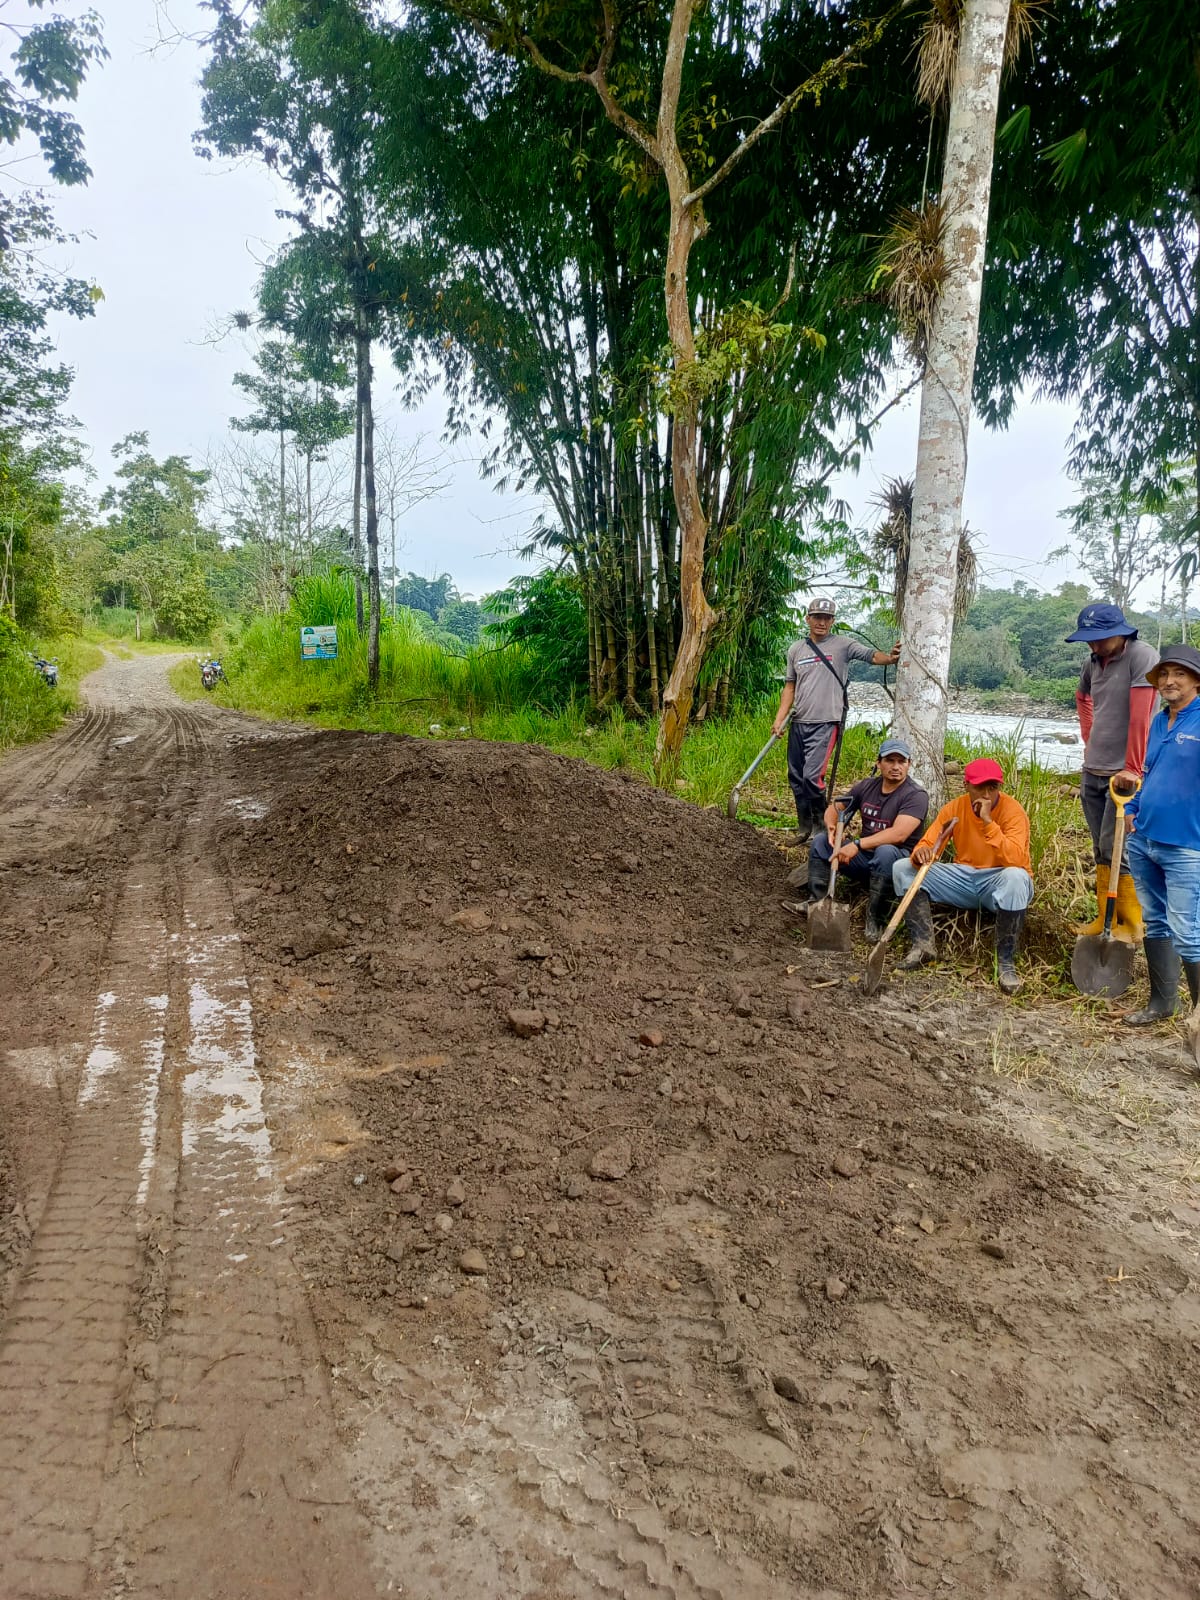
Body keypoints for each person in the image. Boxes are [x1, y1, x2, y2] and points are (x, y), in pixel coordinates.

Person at [892, 757, 1033, 995]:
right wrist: (920, 854)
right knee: (902, 868)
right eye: (980, 787)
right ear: (966, 785)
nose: (986, 795)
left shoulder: (1013, 811)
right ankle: (923, 946)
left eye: (993, 787)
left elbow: (1016, 860)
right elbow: (928, 843)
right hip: (964, 878)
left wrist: (988, 822)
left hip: (999, 879)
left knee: (1016, 877)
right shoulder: (954, 808)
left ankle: (1006, 963)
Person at [1120, 644, 1200, 1059]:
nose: (1169, 681)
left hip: (1187, 845)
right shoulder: (1157, 720)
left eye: (1179, 674)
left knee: (1188, 930)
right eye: (1164, 674)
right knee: (1156, 921)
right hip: (1144, 839)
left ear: (1196, 681)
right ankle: (1163, 1002)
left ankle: (1199, 1022)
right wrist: (1133, 808)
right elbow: (1149, 773)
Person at [1066, 602, 1159, 942]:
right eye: (1089, 639)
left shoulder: (1141, 656)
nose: (1094, 645)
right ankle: (1105, 918)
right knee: (1101, 847)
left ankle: (1130, 924)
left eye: (1100, 638)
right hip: (1093, 768)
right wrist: (1088, 738)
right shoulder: (1092, 662)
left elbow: (1141, 715)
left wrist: (1133, 766)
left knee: (1119, 846)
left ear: (1121, 633)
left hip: (1124, 774)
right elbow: (1082, 698)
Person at [772, 598, 900, 842]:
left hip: (826, 722)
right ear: (808, 619)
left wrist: (891, 658)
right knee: (796, 777)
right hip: (799, 721)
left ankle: (821, 828)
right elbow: (790, 686)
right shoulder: (796, 649)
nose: (821, 622)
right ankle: (804, 827)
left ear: (832, 621)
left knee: (812, 777)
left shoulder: (843, 645)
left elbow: (871, 656)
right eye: (817, 617)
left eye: (827, 618)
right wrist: (780, 719)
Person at [807, 738, 928, 940]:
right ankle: (816, 903)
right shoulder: (867, 786)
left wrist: (857, 845)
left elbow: (899, 834)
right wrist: (831, 826)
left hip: (898, 864)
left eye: (901, 761)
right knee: (821, 842)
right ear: (878, 763)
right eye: (890, 761)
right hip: (865, 858)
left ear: (909, 764)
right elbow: (836, 807)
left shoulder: (916, 795)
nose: (896, 767)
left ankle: (876, 919)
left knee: (885, 851)